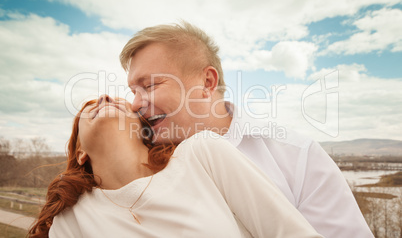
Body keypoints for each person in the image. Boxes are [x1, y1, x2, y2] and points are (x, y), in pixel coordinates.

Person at [119, 21, 374, 238]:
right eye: (133, 91)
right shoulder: (134, 168)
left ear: (207, 82)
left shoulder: (296, 156)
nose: (136, 104)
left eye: (150, 86)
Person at [29, 95, 322, 238]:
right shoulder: (70, 222)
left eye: (116, 98)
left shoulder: (202, 153)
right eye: (88, 106)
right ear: (80, 152)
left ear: (144, 131)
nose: (105, 98)